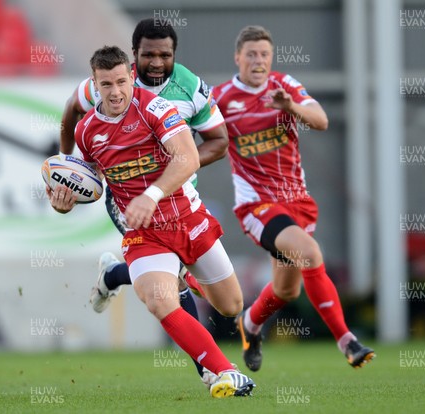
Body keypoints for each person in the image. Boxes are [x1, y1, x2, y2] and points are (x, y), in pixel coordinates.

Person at [47, 45, 255, 398]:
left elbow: (188, 158)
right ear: (94, 85)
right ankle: (225, 372)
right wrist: (63, 203)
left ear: (131, 76)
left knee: (231, 306)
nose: (115, 92)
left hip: (186, 217)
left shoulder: (156, 108)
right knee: (159, 300)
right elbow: (87, 184)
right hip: (145, 233)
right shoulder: (87, 132)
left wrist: (151, 195)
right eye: (105, 85)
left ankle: (115, 274)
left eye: (120, 82)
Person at [211, 25, 375, 371]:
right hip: (257, 206)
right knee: (311, 253)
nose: (258, 61)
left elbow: (321, 120)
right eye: (251, 54)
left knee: (287, 291)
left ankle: (250, 325)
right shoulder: (221, 98)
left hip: (296, 202)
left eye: (265, 55)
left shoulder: (284, 86)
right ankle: (348, 341)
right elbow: (196, 135)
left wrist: (291, 107)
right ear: (237, 57)